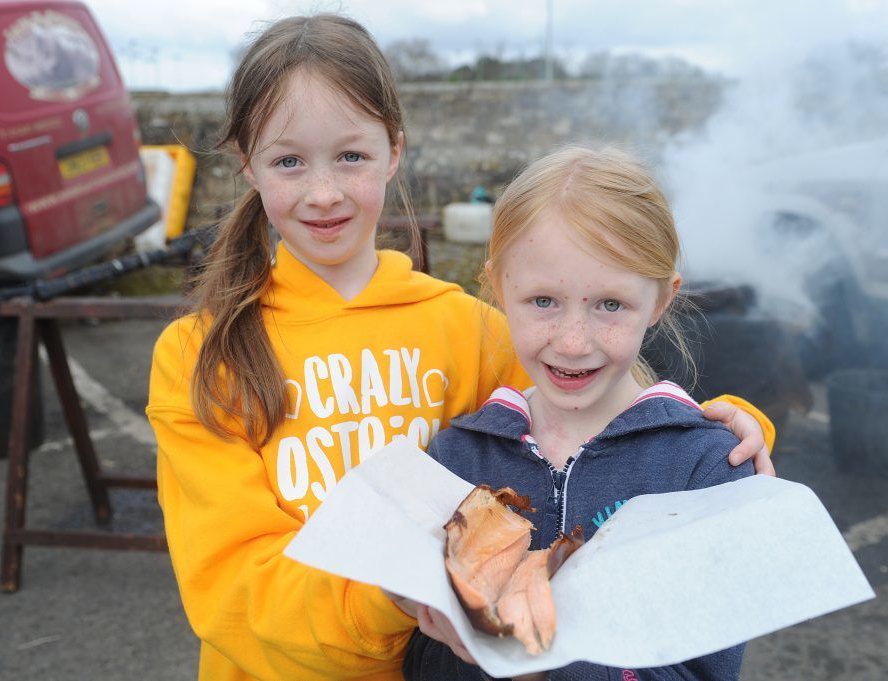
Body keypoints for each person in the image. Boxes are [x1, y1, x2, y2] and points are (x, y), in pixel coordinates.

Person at [146, 14, 774, 681]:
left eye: (350, 155)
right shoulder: (197, 356)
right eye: (289, 160)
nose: (323, 191)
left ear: (393, 150)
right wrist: (396, 590)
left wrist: (718, 432)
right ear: (247, 164)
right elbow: (232, 595)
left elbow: (598, 414)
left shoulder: (470, 327)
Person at [403, 146, 755, 681]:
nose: (572, 343)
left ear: (661, 299)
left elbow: (707, 670)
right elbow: (419, 661)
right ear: (498, 287)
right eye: (543, 301)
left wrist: (542, 663)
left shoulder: (705, 472)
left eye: (610, 305)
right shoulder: (453, 459)